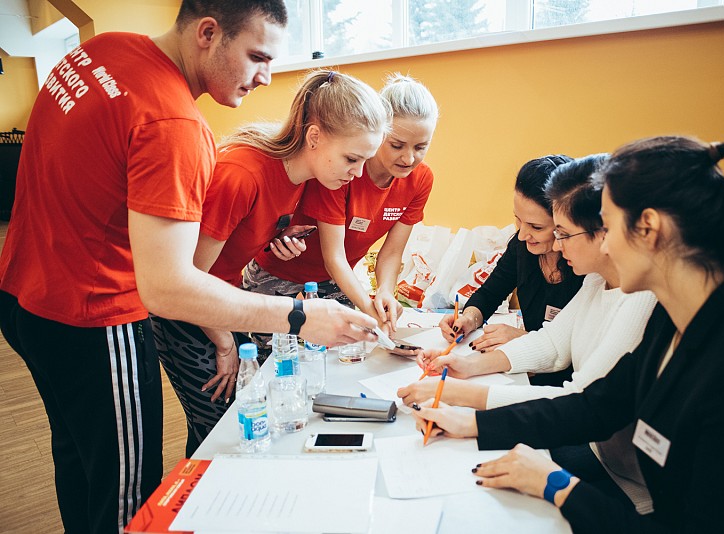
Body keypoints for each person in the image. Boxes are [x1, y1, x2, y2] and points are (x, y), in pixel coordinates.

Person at [0, 2, 377, 532]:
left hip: (23, 294)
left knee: (80, 462)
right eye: (257, 57)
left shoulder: (100, 51)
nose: (265, 78)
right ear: (208, 33)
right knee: (128, 495)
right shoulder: (175, 123)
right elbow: (170, 287)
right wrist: (299, 317)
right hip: (93, 314)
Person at [410, 136, 724, 532]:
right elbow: (597, 405)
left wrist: (558, 485)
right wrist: (474, 424)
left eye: (608, 228)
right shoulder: (675, 321)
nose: (604, 246)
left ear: (649, 229)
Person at [151, 69, 391, 456]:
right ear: (315, 137)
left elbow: (244, 233)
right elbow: (188, 278)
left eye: (365, 160)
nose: (358, 173)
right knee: (220, 430)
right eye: (352, 158)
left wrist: (275, 239)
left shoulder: (306, 178)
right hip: (189, 312)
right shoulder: (242, 174)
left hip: (227, 300)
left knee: (239, 422)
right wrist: (225, 343)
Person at [400, 154, 658, 512]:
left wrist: (466, 404)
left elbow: (581, 402)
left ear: (605, 231)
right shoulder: (598, 280)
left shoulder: (641, 299)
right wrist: (469, 367)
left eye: (562, 234)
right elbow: (553, 343)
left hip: (628, 480)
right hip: (599, 453)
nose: (557, 245)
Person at [243, 73, 439, 336]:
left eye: (421, 147)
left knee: (343, 350)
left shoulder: (421, 179)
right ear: (379, 134)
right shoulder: (342, 170)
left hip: (336, 280)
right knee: (270, 353)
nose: (408, 158)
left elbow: (392, 252)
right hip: (279, 271)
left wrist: (384, 292)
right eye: (397, 145)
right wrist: (368, 309)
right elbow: (333, 257)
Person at [439, 156, 584, 358]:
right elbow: (490, 293)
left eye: (536, 227)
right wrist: (469, 318)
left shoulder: (587, 267)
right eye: (518, 220)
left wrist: (524, 339)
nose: (522, 235)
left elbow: (584, 347)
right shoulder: (522, 246)